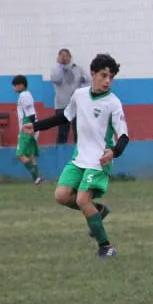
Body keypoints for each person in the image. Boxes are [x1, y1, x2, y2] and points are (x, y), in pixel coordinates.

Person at [26, 54, 129, 259]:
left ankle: (106, 247)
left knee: (82, 199)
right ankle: (98, 212)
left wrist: (114, 151)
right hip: (79, 158)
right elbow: (64, 117)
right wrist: (36, 126)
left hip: (99, 161)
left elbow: (124, 135)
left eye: (111, 77)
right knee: (61, 196)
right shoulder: (80, 95)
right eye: (103, 75)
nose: (107, 81)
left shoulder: (113, 103)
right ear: (93, 74)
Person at [50, 48, 89, 145]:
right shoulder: (56, 70)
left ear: (70, 57)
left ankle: (79, 154)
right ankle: (60, 154)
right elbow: (56, 79)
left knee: (78, 132)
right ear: (58, 57)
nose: (64, 58)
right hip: (62, 105)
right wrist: (60, 65)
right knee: (62, 132)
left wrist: (83, 82)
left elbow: (87, 80)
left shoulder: (77, 68)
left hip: (76, 105)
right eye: (61, 55)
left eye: (66, 55)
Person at [12, 75, 43, 184]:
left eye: (15, 85)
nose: (14, 88)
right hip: (29, 126)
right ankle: (37, 178)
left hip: (27, 127)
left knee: (20, 153)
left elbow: (30, 113)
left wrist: (30, 127)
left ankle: (35, 175)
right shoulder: (25, 95)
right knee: (30, 154)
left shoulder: (24, 95)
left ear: (21, 85)